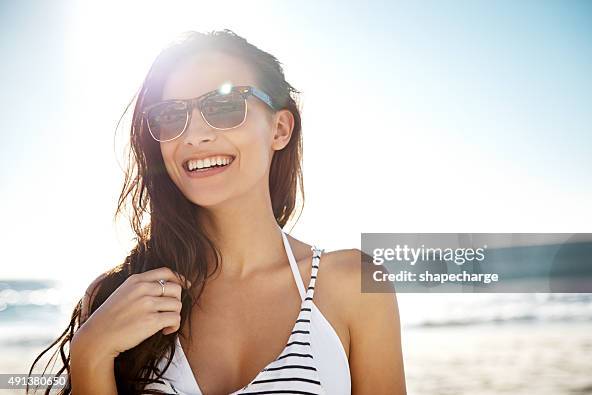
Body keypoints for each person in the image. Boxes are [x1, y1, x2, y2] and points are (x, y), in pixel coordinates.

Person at [28, 29, 406, 395]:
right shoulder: (118, 297)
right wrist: (90, 355)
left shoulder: (353, 285)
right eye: (172, 115)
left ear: (280, 129)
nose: (193, 135)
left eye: (225, 106)